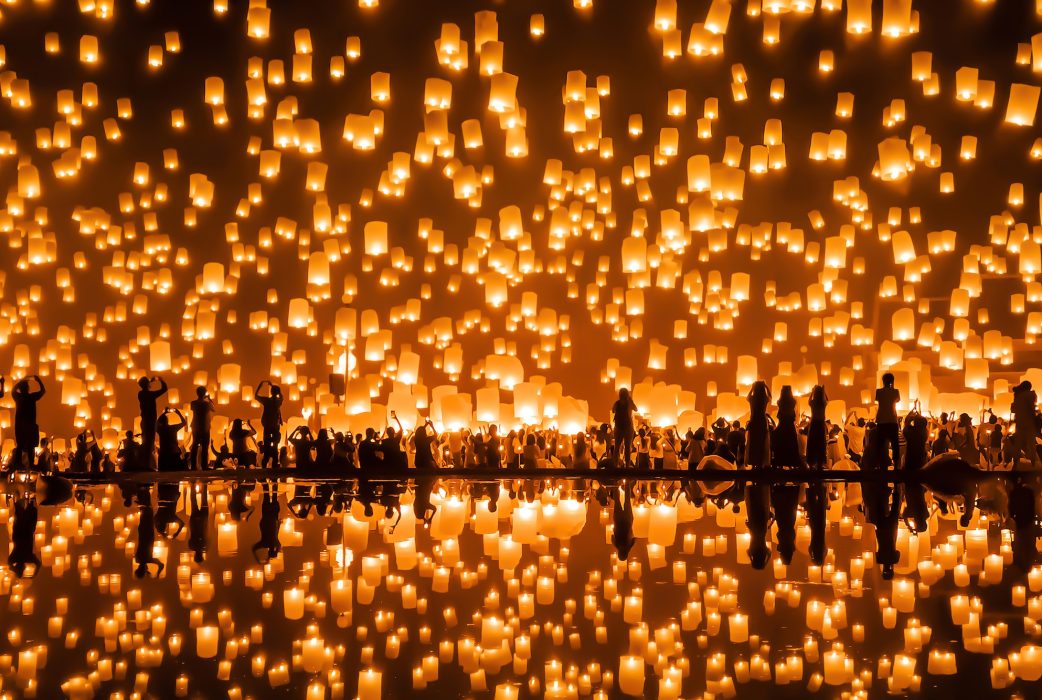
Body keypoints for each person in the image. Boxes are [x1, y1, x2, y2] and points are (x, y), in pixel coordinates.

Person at [12, 375, 45, 469]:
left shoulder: (18, 397)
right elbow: (43, 391)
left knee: (20, 445)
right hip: (29, 425)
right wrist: (38, 380)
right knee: (30, 446)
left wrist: (21, 380)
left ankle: (18, 463)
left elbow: (13, 390)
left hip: (20, 425)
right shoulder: (32, 397)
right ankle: (30, 464)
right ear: (27, 388)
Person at [137, 376, 168, 461]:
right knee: (150, 442)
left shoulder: (140, 394)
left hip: (144, 420)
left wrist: (149, 381)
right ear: (148, 384)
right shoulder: (150, 395)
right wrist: (160, 379)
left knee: (145, 441)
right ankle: (148, 462)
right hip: (150, 421)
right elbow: (164, 389)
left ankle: (145, 462)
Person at [772, 386, 803, 469]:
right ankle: (791, 463)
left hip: (781, 426)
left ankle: (780, 463)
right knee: (791, 444)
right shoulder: (793, 402)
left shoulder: (780, 402)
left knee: (780, 444)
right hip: (790, 427)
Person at [1010, 381, 1040, 468]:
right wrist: (1036, 416)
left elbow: (1013, 410)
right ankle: (1033, 465)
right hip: (1029, 423)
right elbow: (1031, 408)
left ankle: (1015, 464)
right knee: (1031, 445)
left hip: (1019, 423)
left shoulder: (1017, 395)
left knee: (1018, 445)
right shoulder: (1030, 395)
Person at [875, 373, 901, 469]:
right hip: (892, 420)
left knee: (880, 445)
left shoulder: (879, 392)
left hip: (881, 421)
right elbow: (897, 400)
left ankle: (881, 466)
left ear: (883, 381)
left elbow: (879, 400)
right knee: (895, 445)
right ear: (892, 381)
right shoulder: (895, 392)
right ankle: (896, 467)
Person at [256, 381, 284, 468]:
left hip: (267, 426)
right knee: (275, 446)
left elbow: (256, 396)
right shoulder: (278, 402)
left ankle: (264, 467)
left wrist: (260, 385)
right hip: (275, 426)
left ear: (271, 392)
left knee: (267, 447)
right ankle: (274, 466)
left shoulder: (267, 401)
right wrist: (273, 387)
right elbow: (281, 396)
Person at [745, 381, 772, 469]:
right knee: (761, 442)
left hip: (754, 420)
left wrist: (752, 388)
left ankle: (753, 462)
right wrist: (766, 386)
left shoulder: (752, 399)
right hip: (762, 421)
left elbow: (747, 397)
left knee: (753, 442)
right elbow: (770, 396)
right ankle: (760, 462)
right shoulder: (764, 398)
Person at [189, 386, 216, 470]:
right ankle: (204, 466)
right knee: (205, 447)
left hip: (196, 426)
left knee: (195, 446)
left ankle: (193, 466)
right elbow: (213, 409)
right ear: (204, 393)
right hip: (205, 427)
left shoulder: (193, 403)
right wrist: (209, 399)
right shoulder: (206, 404)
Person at [611, 388, 636, 467]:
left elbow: (613, 410)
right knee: (627, 446)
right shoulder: (629, 403)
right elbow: (636, 409)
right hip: (627, 428)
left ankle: (615, 464)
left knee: (617, 447)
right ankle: (627, 465)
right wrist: (630, 400)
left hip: (618, 428)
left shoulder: (617, 403)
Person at [156, 407, 186, 472]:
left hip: (164, 453)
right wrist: (179, 414)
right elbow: (184, 423)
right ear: (167, 421)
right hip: (174, 452)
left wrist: (164, 413)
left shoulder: (160, 430)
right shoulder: (173, 428)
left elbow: (156, 423)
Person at [806, 385, 829, 469]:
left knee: (812, 443)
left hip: (814, 424)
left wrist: (812, 392)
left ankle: (811, 463)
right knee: (820, 444)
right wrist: (824, 391)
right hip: (821, 424)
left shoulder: (813, 403)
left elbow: (809, 400)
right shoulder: (823, 403)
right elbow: (827, 400)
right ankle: (820, 463)